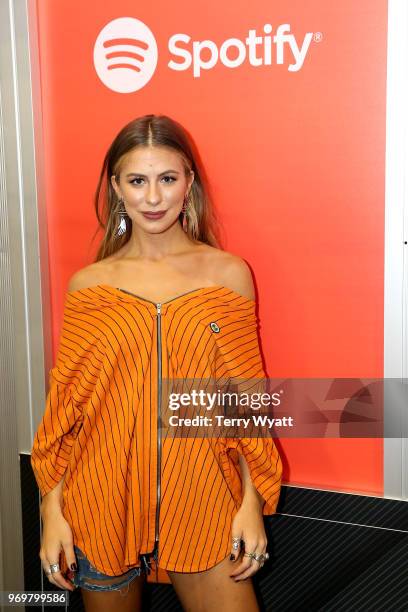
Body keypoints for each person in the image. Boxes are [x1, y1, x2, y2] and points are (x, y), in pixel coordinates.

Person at [31, 114, 283, 612]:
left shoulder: (227, 275)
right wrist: (51, 507)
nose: (152, 198)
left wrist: (251, 502)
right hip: (102, 499)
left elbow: (247, 402)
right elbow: (66, 410)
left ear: (189, 183)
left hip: (204, 495)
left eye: (167, 179)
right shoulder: (89, 286)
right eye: (137, 181)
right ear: (117, 189)